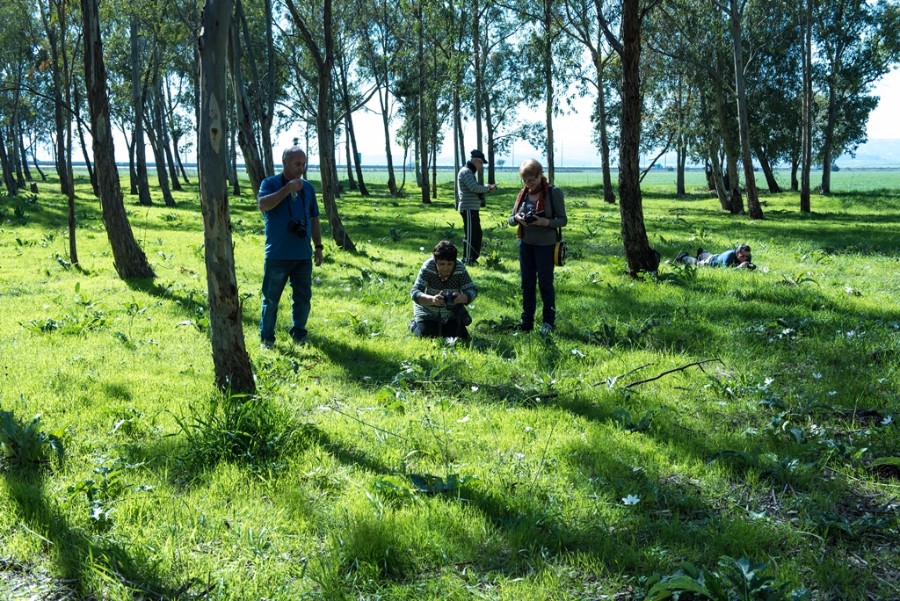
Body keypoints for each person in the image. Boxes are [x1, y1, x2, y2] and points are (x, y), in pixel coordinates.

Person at [257, 147, 324, 348]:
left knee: (303, 298)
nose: (301, 168)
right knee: (271, 300)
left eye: (304, 164)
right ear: (285, 162)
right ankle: (267, 339)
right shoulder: (269, 184)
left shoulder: (308, 189)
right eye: (297, 164)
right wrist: (287, 190)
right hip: (277, 255)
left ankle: (299, 334)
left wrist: (318, 246)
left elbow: (314, 219)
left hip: (302, 256)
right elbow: (263, 205)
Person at [508, 159, 567, 335]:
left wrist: (544, 221)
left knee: (545, 284)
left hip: (546, 245)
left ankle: (548, 322)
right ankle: (527, 321)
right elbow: (510, 219)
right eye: (525, 181)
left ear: (540, 176)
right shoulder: (523, 194)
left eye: (531, 180)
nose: (529, 184)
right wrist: (517, 218)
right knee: (527, 284)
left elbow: (563, 220)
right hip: (525, 243)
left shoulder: (553, 193)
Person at [410, 240, 477, 339]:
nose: (446, 268)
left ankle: (445, 327)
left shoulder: (460, 268)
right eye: (442, 264)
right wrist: (432, 300)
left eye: (449, 264)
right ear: (435, 261)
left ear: (454, 262)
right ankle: (414, 324)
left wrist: (462, 298)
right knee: (426, 335)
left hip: (451, 313)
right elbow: (415, 292)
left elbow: (473, 290)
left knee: (460, 337)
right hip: (427, 311)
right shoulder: (428, 267)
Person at [456, 149, 498, 265]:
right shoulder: (466, 172)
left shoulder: (469, 172)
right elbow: (473, 188)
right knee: (470, 235)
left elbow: (475, 188)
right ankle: (467, 260)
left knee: (477, 234)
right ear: (475, 161)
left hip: (472, 209)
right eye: (481, 163)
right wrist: (488, 188)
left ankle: (472, 258)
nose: (481, 166)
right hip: (468, 208)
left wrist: (486, 188)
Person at [675, 244, 755, 269]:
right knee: (697, 264)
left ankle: (702, 252)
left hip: (716, 256)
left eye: (746, 256)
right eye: (742, 256)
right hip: (711, 262)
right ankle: (683, 257)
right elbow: (726, 271)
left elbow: (748, 266)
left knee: (707, 255)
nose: (745, 258)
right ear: (737, 253)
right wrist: (740, 267)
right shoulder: (729, 256)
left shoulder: (748, 256)